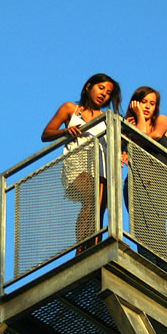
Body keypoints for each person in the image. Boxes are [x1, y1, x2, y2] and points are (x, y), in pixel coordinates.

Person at [41, 73, 121, 254]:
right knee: (91, 196)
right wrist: (65, 131)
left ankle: (92, 247)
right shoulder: (71, 108)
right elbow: (46, 134)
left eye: (108, 93)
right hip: (76, 165)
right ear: (88, 87)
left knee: (97, 208)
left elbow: (116, 144)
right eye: (101, 88)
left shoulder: (106, 117)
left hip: (100, 167)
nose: (104, 94)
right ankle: (80, 249)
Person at [124, 86, 167, 272]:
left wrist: (139, 116)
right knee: (140, 230)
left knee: (157, 226)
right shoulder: (127, 126)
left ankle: (163, 273)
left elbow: (151, 136)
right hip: (136, 182)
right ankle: (146, 270)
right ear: (135, 102)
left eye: (152, 103)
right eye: (143, 102)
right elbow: (126, 151)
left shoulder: (162, 120)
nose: (147, 107)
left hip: (161, 182)